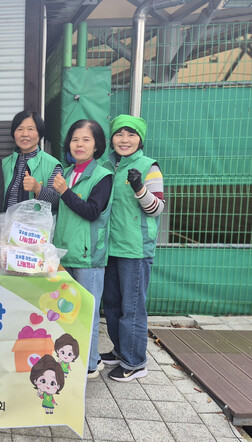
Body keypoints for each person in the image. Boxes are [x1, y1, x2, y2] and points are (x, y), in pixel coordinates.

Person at [100, 114, 165, 382]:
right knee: (112, 305)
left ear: (140, 140)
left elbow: (156, 208)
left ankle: (136, 362)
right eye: (119, 134)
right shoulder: (107, 165)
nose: (124, 139)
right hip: (109, 247)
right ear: (111, 138)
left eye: (131, 134)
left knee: (132, 308)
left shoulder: (149, 166)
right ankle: (120, 350)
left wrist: (139, 188)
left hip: (135, 249)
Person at [52, 119, 113, 379]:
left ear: (97, 145)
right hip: (65, 253)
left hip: (88, 257)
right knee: (67, 312)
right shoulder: (66, 173)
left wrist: (65, 192)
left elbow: (92, 211)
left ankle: (89, 365)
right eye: (75, 139)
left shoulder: (103, 176)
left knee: (87, 312)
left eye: (86, 140)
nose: (79, 144)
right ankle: (76, 360)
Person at [3, 110, 62, 212]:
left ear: (39, 133)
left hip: (37, 222)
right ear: (13, 133)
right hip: (6, 221)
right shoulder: (3, 164)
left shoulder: (52, 165)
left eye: (31, 129)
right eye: (20, 129)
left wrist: (38, 188)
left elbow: (57, 203)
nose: (25, 134)